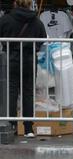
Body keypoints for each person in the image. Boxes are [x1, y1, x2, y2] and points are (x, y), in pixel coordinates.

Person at [0, 0, 47, 138]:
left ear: (15, 3)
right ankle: (28, 128)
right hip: (29, 59)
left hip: (11, 59)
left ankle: (11, 125)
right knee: (28, 93)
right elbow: (42, 38)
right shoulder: (37, 21)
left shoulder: (6, 19)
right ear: (29, 4)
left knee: (11, 92)